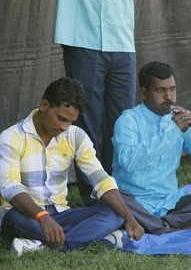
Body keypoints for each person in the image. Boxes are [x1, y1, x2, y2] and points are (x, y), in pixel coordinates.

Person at [0, 77, 144, 256]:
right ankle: (92, 237)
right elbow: (11, 189)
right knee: (15, 218)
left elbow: (100, 179)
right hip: (24, 214)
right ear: (44, 105)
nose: (64, 127)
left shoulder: (76, 136)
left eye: (70, 122)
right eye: (61, 119)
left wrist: (129, 218)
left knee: (114, 214)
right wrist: (42, 217)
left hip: (61, 215)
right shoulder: (11, 137)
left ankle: (42, 245)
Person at [111, 61, 191, 234]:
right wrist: (172, 132)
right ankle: (171, 226)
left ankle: (162, 225)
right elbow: (128, 162)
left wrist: (189, 131)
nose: (169, 97)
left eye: (172, 89)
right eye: (161, 90)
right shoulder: (128, 121)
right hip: (135, 201)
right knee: (114, 199)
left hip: (170, 202)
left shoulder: (175, 122)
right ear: (144, 93)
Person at [54, 0, 149, 205]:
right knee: (87, 123)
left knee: (123, 123)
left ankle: (120, 190)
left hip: (121, 39)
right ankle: (94, 196)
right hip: (81, 36)